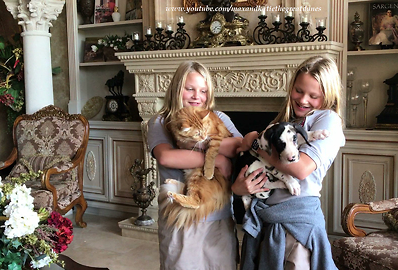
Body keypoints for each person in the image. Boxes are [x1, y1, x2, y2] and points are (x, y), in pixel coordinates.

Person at [146, 60, 267, 270]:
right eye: (190, 89)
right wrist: (215, 158)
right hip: (180, 220)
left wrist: (200, 146)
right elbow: (166, 157)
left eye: (203, 91)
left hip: (217, 218)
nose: (196, 96)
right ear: (176, 89)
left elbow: (238, 146)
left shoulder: (218, 117)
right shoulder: (160, 121)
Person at [232, 56, 345, 270]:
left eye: (314, 96)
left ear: (327, 95)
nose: (303, 100)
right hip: (268, 215)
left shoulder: (328, 119)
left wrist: (255, 143)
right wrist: (239, 187)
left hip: (295, 221)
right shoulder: (285, 122)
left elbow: (300, 168)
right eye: (299, 91)